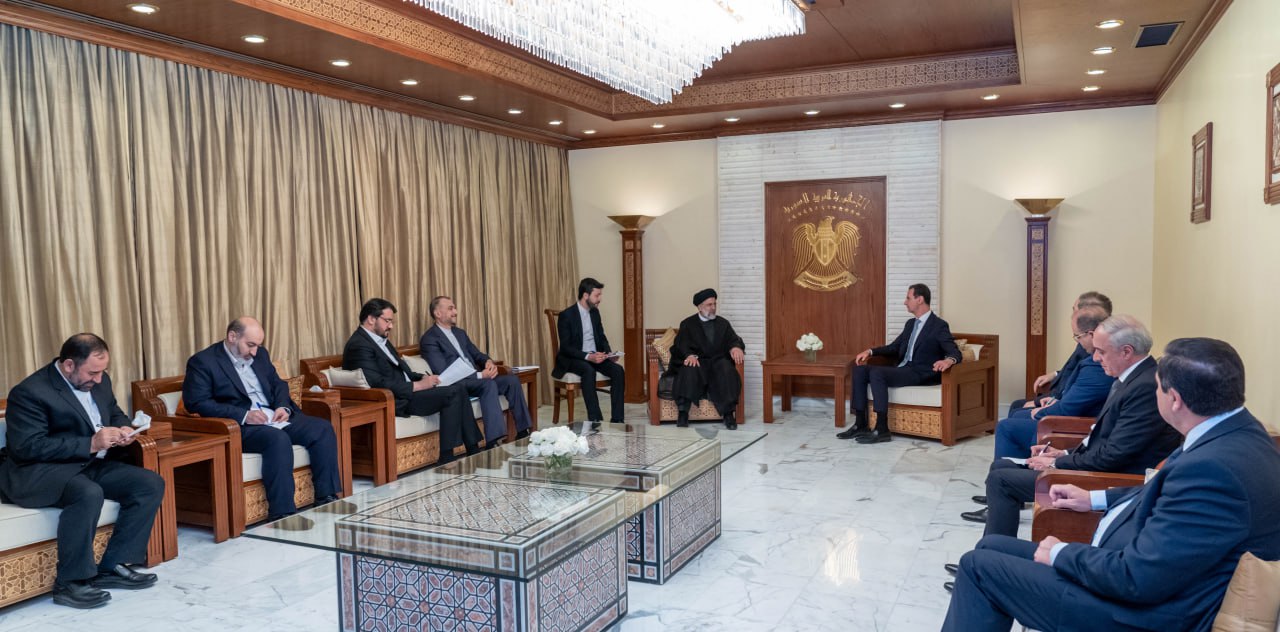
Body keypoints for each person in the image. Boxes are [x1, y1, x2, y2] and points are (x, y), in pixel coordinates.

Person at [943, 338, 1280, 632]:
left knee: (979, 569)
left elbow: (1136, 578)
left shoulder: (1213, 471)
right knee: (990, 547)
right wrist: (1093, 498)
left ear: (1175, 399)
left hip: (1137, 613)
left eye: (1158, 387)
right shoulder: (1237, 432)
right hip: (1130, 578)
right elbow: (1162, 489)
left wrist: (1061, 553)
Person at [960, 315, 1181, 538]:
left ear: (1126, 351)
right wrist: (1063, 452)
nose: (1095, 358)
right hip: (1099, 467)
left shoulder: (1144, 388)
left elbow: (1114, 456)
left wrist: (1056, 463)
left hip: (1110, 480)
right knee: (1001, 466)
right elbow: (1104, 438)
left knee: (1001, 481)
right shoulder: (1132, 378)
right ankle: (994, 547)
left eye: (1101, 351)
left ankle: (993, 552)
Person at [0, 334, 164, 609]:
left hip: (85, 464)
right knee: (87, 493)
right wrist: (90, 444)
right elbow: (28, 447)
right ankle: (70, 583)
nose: (98, 379)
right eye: (92, 373)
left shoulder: (99, 381)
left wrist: (124, 428)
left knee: (149, 483)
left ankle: (112, 567)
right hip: (38, 471)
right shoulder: (30, 392)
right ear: (68, 366)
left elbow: (113, 412)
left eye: (102, 372)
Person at [183, 317, 343, 523]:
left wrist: (283, 406)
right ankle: (283, 513)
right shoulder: (203, 362)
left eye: (258, 345)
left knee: (322, 428)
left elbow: (278, 385)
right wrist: (243, 415)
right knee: (276, 439)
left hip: (273, 417)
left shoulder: (260, 354)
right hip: (240, 425)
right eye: (250, 345)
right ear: (232, 336)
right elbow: (196, 402)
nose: (254, 352)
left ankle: (326, 497)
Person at [342, 298, 480, 463]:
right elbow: (376, 383)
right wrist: (418, 385)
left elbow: (401, 371)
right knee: (453, 393)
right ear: (371, 319)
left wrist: (423, 377)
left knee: (459, 388)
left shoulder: (379, 339)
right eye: (387, 321)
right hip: (396, 399)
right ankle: (447, 456)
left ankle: (474, 449)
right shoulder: (359, 345)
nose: (391, 326)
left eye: (391, 321)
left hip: (407, 392)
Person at [839, 283, 961, 444]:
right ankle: (860, 423)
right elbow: (894, 347)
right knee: (859, 370)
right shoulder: (910, 324)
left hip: (920, 373)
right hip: (904, 369)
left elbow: (954, 352)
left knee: (877, 372)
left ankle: (881, 429)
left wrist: (948, 360)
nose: (905, 302)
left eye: (908, 298)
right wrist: (870, 351)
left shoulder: (939, 325)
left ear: (920, 299)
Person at [991, 306, 1114, 460]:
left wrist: (1039, 412)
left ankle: (1017, 467)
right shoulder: (1094, 357)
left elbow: (1067, 409)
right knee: (1017, 414)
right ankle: (1019, 465)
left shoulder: (1096, 366)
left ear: (1090, 334)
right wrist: (1053, 401)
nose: (1077, 341)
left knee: (1007, 426)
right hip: (1074, 416)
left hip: (1075, 426)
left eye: (1077, 336)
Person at [420, 295, 532, 446]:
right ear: (437, 313)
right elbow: (443, 371)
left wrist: (488, 362)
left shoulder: (460, 333)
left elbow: (476, 354)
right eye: (450, 308)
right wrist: (480, 375)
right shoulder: (430, 339)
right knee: (488, 384)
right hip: (458, 384)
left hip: (476, 380)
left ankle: (524, 431)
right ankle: (493, 441)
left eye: (455, 308)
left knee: (511, 380)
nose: (455, 312)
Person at [1015, 291, 1113, 411]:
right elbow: (1073, 369)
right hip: (1061, 397)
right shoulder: (1085, 340)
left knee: (1017, 410)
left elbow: (1074, 390)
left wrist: (1040, 405)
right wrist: (1055, 374)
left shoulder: (1091, 348)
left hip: (1064, 402)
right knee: (1017, 407)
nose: (1074, 314)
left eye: (1075, 310)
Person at [665, 289, 746, 429]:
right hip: (698, 361)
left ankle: (728, 414)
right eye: (709, 305)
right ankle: (683, 413)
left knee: (727, 370)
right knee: (688, 369)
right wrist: (689, 355)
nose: (713, 308)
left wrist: (735, 347)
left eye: (714, 304)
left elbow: (733, 339)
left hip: (718, 361)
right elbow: (681, 345)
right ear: (700, 307)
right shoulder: (688, 324)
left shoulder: (723, 323)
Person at [553, 278, 626, 426]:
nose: (600, 299)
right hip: (574, 358)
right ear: (585, 295)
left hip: (595, 356)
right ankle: (595, 419)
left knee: (618, 371)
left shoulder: (595, 313)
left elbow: (602, 337)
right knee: (588, 370)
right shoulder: (567, 315)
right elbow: (566, 347)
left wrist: (608, 354)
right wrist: (588, 356)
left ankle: (617, 419)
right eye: (597, 295)